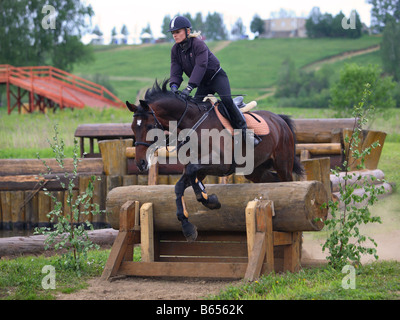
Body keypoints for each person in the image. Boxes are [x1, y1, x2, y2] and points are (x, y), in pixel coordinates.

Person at [168, 16, 260, 146]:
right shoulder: (175, 50)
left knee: (227, 101)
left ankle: (245, 133)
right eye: (173, 33)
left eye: (177, 32)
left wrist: (189, 88)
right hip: (203, 83)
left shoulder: (198, 44)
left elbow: (201, 66)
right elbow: (175, 70)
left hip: (216, 78)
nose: (175, 35)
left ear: (187, 31)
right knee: (195, 108)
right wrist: (174, 86)